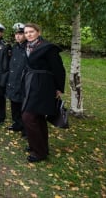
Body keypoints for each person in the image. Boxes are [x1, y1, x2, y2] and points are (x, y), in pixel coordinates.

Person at [22, 23, 66, 163]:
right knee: (38, 117)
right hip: (31, 84)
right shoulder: (27, 46)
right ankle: (39, 146)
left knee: (29, 116)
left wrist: (59, 88)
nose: (28, 34)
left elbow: (59, 69)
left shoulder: (48, 48)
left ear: (38, 32)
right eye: (26, 32)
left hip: (43, 85)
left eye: (31, 31)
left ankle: (39, 152)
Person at [6, 23, 27, 134]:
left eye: (20, 34)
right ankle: (17, 123)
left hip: (23, 80)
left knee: (23, 106)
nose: (18, 36)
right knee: (14, 103)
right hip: (13, 79)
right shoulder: (15, 47)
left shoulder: (28, 48)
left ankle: (25, 128)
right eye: (16, 34)